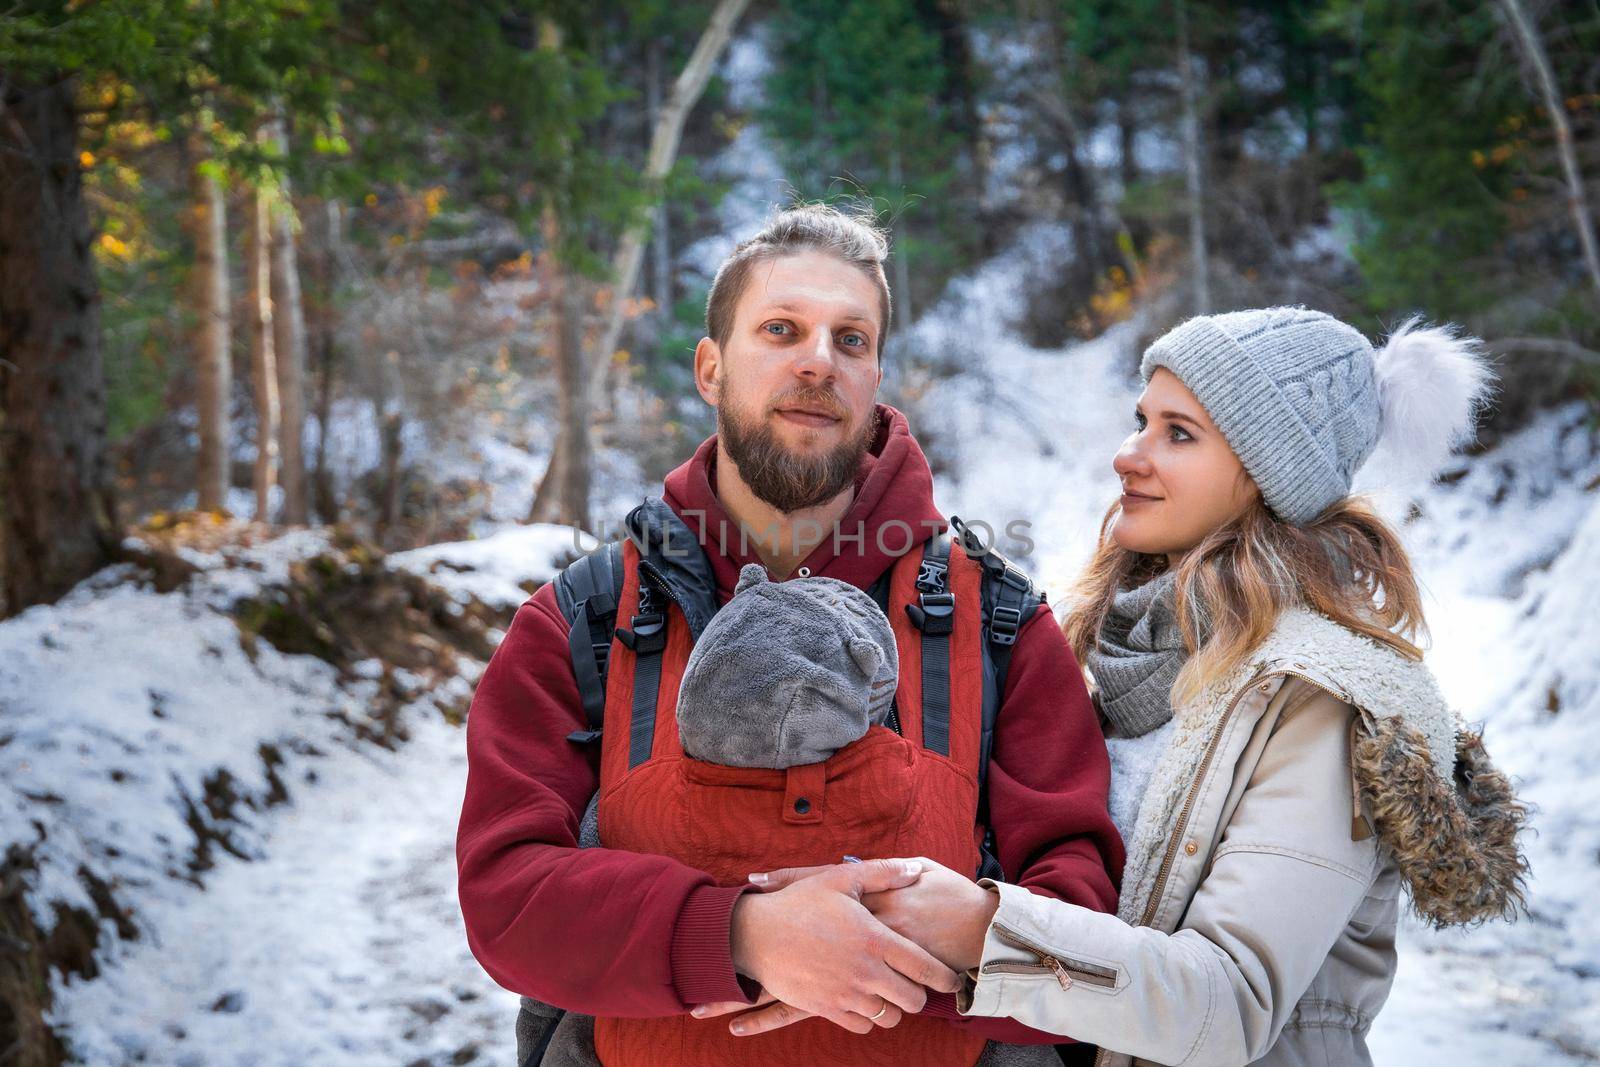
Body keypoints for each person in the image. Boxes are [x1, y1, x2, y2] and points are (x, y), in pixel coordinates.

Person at [726, 307, 1530, 1067]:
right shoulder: (1124, 656)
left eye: (1179, 433)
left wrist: (981, 927)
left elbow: (1234, 998)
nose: (1129, 453)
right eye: (1141, 420)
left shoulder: (1313, 698)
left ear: (1268, 474)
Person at [454, 203, 1123, 1067]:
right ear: (710, 367)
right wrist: (740, 933)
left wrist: (962, 936)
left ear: (877, 374)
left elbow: (1086, 925)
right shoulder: (583, 618)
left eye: (852, 339)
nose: (818, 360)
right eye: (782, 329)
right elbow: (507, 901)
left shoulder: (998, 624)